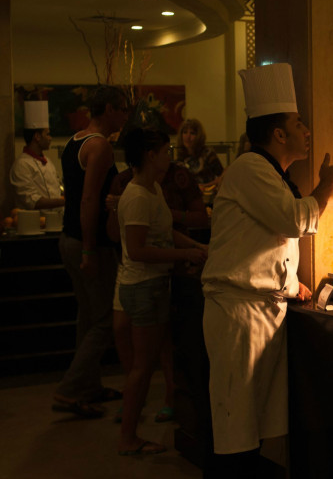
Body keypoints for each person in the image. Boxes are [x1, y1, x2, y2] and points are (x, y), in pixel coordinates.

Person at [201, 63, 333, 475]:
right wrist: (327, 185)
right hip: (239, 313)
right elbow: (291, 220)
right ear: (279, 134)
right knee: (235, 427)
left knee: (254, 425)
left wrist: (291, 281)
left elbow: (265, 237)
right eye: (299, 123)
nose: (307, 130)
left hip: (264, 310)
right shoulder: (250, 167)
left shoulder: (273, 173)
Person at [116, 128, 208, 455]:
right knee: (142, 368)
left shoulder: (152, 188)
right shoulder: (138, 196)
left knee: (145, 366)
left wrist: (197, 246)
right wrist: (184, 254)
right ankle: (129, 438)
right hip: (144, 287)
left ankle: (130, 435)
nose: (169, 156)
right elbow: (138, 250)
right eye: (165, 151)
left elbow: (165, 231)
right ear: (149, 155)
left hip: (151, 285)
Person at [53, 86, 129, 418]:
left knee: (87, 316)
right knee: (103, 320)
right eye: (123, 109)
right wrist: (89, 250)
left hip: (69, 238)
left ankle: (89, 385)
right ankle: (70, 390)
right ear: (109, 109)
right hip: (89, 243)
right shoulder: (100, 146)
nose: (125, 116)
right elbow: (87, 200)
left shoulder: (76, 141)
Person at [10, 101, 65, 210]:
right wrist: (64, 201)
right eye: (47, 134)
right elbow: (32, 201)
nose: (50, 138)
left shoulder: (48, 162)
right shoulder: (22, 165)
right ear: (37, 136)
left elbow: (58, 189)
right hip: (35, 220)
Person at [176, 118, 224, 195]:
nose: (188, 137)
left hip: (206, 194)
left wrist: (205, 186)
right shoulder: (180, 155)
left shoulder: (208, 153)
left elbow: (222, 176)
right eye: (185, 132)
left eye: (192, 133)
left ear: (198, 135)